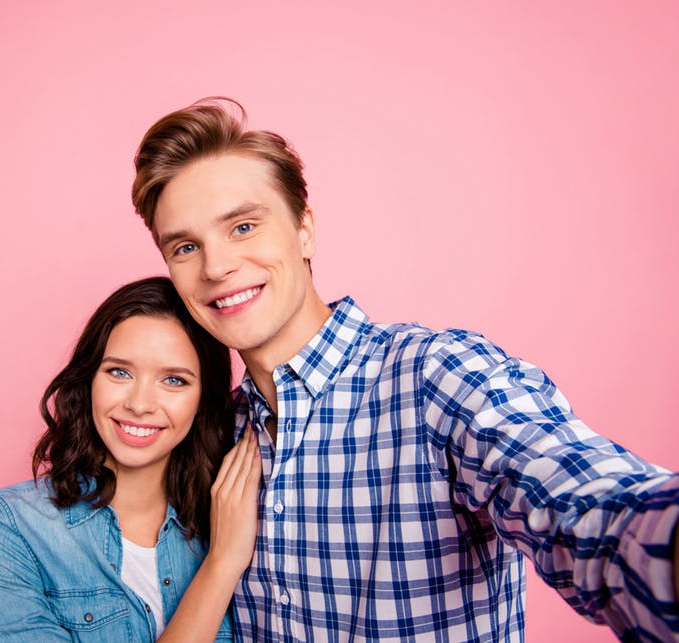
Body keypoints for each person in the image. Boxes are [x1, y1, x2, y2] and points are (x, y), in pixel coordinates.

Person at [129, 98, 679, 641]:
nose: (218, 266)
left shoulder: (436, 377)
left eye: (244, 227)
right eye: (184, 247)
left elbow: (584, 500)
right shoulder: (214, 434)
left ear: (305, 231)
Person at [0, 276, 261, 642]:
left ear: (202, 400)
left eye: (174, 380)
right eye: (119, 372)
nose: (140, 404)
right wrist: (220, 567)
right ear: (89, 380)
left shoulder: (229, 519)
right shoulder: (2, 532)